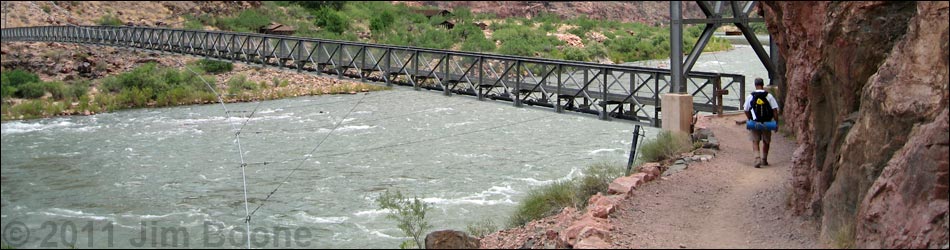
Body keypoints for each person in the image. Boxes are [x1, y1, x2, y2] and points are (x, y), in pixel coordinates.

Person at [744, 78, 780, 168]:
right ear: (763, 85)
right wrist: (776, 122)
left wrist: (750, 118)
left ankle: (757, 158)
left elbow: (746, 109)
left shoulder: (751, 96)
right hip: (767, 122)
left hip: (755, 122)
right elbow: (775, 110)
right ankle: (764, 159)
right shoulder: (769, 96)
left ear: (755, 85)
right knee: (766, 141)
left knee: (755, 141)